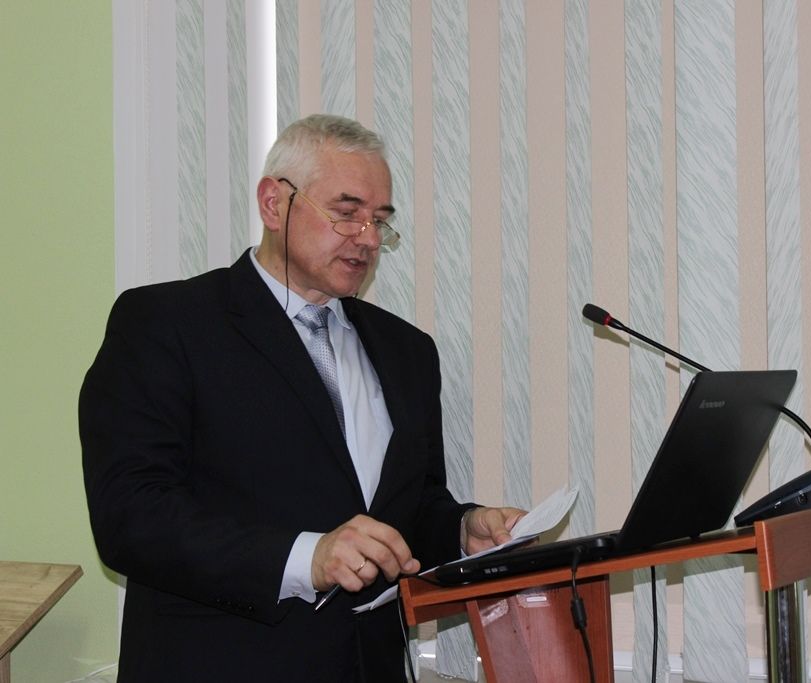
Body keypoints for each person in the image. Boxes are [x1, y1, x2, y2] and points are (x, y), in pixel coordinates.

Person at [80, 114, 524, 682]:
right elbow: (130, 516)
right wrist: (305, 557)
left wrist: (462, 529)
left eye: (380, 221)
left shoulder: (407, 352)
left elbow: (408, 510)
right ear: (274, 203)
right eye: (347, 212)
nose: (368, 238)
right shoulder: (168, 324)